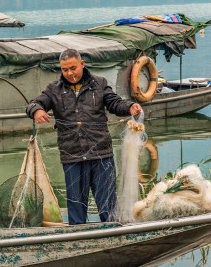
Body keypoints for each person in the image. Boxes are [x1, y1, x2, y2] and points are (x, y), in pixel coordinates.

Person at [26, 49, 142, 224]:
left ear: (82, 64)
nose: (70, 73)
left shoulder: (100, 84)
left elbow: (114, 103)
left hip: (101, 155)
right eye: (65, 70)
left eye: (73, 68)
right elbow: (34, 103)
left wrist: (129, 106)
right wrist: (37, 110)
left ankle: (113, 237)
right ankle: (78, 236)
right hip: (72, 156)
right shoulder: (54, 90)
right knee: (76, 209)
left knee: (108, 207)